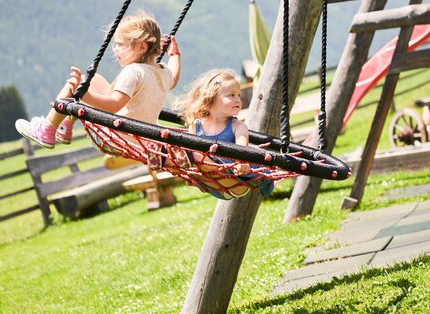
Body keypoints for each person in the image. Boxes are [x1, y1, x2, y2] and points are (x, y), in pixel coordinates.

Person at [15, 11, 181, 149]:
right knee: (93, 79)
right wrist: (174, 55)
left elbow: (114, 104)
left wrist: (85, 94)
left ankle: (47, 129)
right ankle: (65, 126)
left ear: (142, 47)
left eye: (121, 45)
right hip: (142, 140)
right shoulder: (163, 72)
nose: (116, 50)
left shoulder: (134, 72)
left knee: (76, 86)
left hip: (118, 136)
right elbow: (173, 77)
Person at [174, 69, 274, 198]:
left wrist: (241, 162)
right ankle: (165, 159)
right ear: (210, 99)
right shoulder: (196, 126)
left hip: (235, 181)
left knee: (196, 157)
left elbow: (242, 148)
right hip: (211, 180)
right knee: (192, 154)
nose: (238, 99)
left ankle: (171, 159)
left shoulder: (237, 126)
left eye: (239, 95)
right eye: (231, 95)